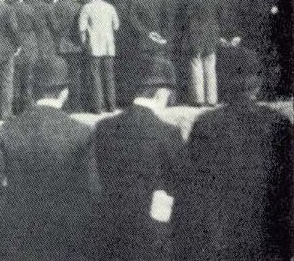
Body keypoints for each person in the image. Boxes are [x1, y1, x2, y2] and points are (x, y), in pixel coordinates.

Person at [173, 48, 292, 261]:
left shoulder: (206, 125)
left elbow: (193, 192)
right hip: (270, 242)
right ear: (258, 84)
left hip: (222, 242)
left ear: (224, 83)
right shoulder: (279, 124)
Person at [0, 56, 96, 260]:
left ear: (32, 92)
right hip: (66, 241)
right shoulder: (82, 133)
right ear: (65, 93)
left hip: (20, 241)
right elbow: (92, 191)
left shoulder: (6, 131)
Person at [91, 57, 185, 261]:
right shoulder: (168, 133)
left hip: (110, 234)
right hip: (151, 237)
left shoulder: (104, 127)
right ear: (161, 93)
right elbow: (181, 184)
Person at [78, 0, 120, 113]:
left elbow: (81, 28)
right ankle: (111, 105)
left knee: (95, 76)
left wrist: (84, 43)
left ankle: (98, 106)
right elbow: (116, 26)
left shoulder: (86, 8)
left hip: (94, 45)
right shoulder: (110, 7)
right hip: (108, 45)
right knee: (109, 75)